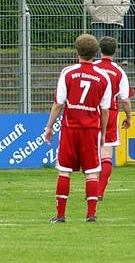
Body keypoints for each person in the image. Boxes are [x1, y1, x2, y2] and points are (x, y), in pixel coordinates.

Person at [42, 34, 111, 223]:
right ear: (95, 52)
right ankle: (91, 214)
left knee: (64, 170)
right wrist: (103, 132)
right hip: (91, 129)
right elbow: (105, 110)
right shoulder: (103, 77)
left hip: (70, 128)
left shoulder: (68, 73)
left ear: (77, 51)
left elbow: (58, 103)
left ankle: (60, 215)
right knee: (91, 172)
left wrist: (49, 127)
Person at [94, 36, 133, 199]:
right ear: (115, 51)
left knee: (90, 152)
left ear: (100, 50)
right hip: (110, 113)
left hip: (92, 111)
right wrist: (129, 117)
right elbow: (125, 99)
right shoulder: (119, 71)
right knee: (106, 153)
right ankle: (99, 192)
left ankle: (91, 186)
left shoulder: (93, 67)